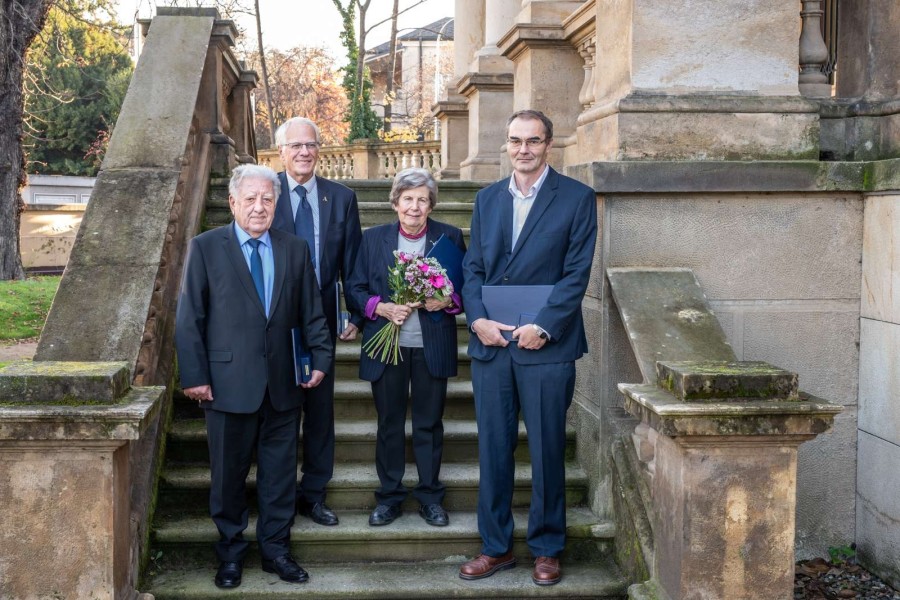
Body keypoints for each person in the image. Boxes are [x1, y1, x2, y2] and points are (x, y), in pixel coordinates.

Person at [175, 164, 333, 589]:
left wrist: (320, 359)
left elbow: (312, 313)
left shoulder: (295, 249)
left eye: (267, 199)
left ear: (276, 203)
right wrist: (195, 376)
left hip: (284, 387)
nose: (259, 207)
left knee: (280, 478)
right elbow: (190, 317)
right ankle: (230, 556)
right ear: (232, 202)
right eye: (250, 199)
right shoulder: (206, 247)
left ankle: (276, 552)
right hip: (226, 387)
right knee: (227, 479)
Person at [459, 110, 597, 586]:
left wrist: (546, 326)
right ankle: (495, 548)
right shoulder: (486, 199)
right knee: (493, 450)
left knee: (546, 450)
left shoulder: (578, 198)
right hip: (492, 346)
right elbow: (472, 267)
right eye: (516, 140)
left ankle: (546, 548)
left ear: (548, 145)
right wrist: (475, 319)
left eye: (533, 141)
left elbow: (577, 272)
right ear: (507, 144)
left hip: (547, 347)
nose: (523, 149)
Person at [347, 167, 466, 528]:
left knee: (429, 424)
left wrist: (446, 302)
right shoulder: (373, 239)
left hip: (432, 344)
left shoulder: (449, 237)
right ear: (395, 202)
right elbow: (355, 287)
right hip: (388, 346)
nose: (414, 207)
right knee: (390, 423)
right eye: (408, 199)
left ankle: (430, 497)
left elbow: (463, 288)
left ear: (431, 205)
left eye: (422, 200)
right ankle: (390, 498)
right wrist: (380, 307)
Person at [270, 117, 363, 527]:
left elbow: (354, 265)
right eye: (295, 146)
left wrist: (356, 313)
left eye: (311, 145)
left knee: (320, 410)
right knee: (279, 409)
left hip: (321, 320)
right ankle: (280, 495)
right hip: (273, 320)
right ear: (281, 152)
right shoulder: (264, 192)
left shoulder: (341, 198)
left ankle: (315, 493)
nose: (304, 152)